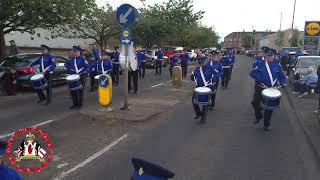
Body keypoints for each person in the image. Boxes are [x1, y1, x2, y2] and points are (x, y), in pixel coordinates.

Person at [250, 49, 287, 131]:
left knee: (269, 108)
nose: (269, 57)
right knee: (255, 102)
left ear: (274, 56)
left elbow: (282, 77)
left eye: (271, 56)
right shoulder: (260, 64)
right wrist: (260, 78)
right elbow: (252, 73)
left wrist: (283, 82)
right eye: (268, 56)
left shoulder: (277, 65)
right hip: (260, 87)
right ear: (265, 56)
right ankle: (259, 116)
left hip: (271, 89)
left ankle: (266, 124)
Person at [191, 55, 216, 122]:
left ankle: (203, 118)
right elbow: (194, 78)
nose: (202, 63)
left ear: (205, 60)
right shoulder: (197, 68)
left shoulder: (210, 68)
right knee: (193, 100)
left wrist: (214, 79)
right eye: (201, 61)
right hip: (198, 86)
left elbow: (217, 74)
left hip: (206, 87)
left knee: (205, 103)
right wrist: (192, 77)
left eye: (203, 61)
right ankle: (198, 113)